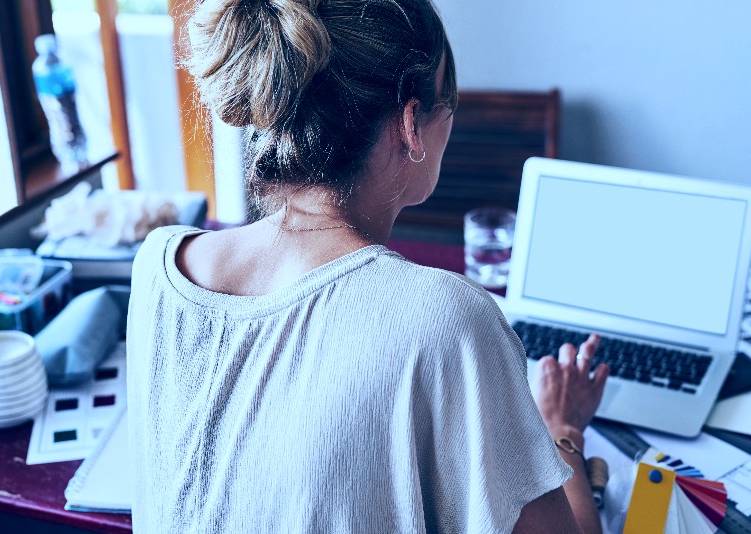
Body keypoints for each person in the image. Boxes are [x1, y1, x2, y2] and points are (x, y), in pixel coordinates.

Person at [127, 0, 610, 532]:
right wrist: (561, 430)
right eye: (447, 100)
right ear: (410, 124)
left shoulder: (158, 265)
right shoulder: (446, 321)